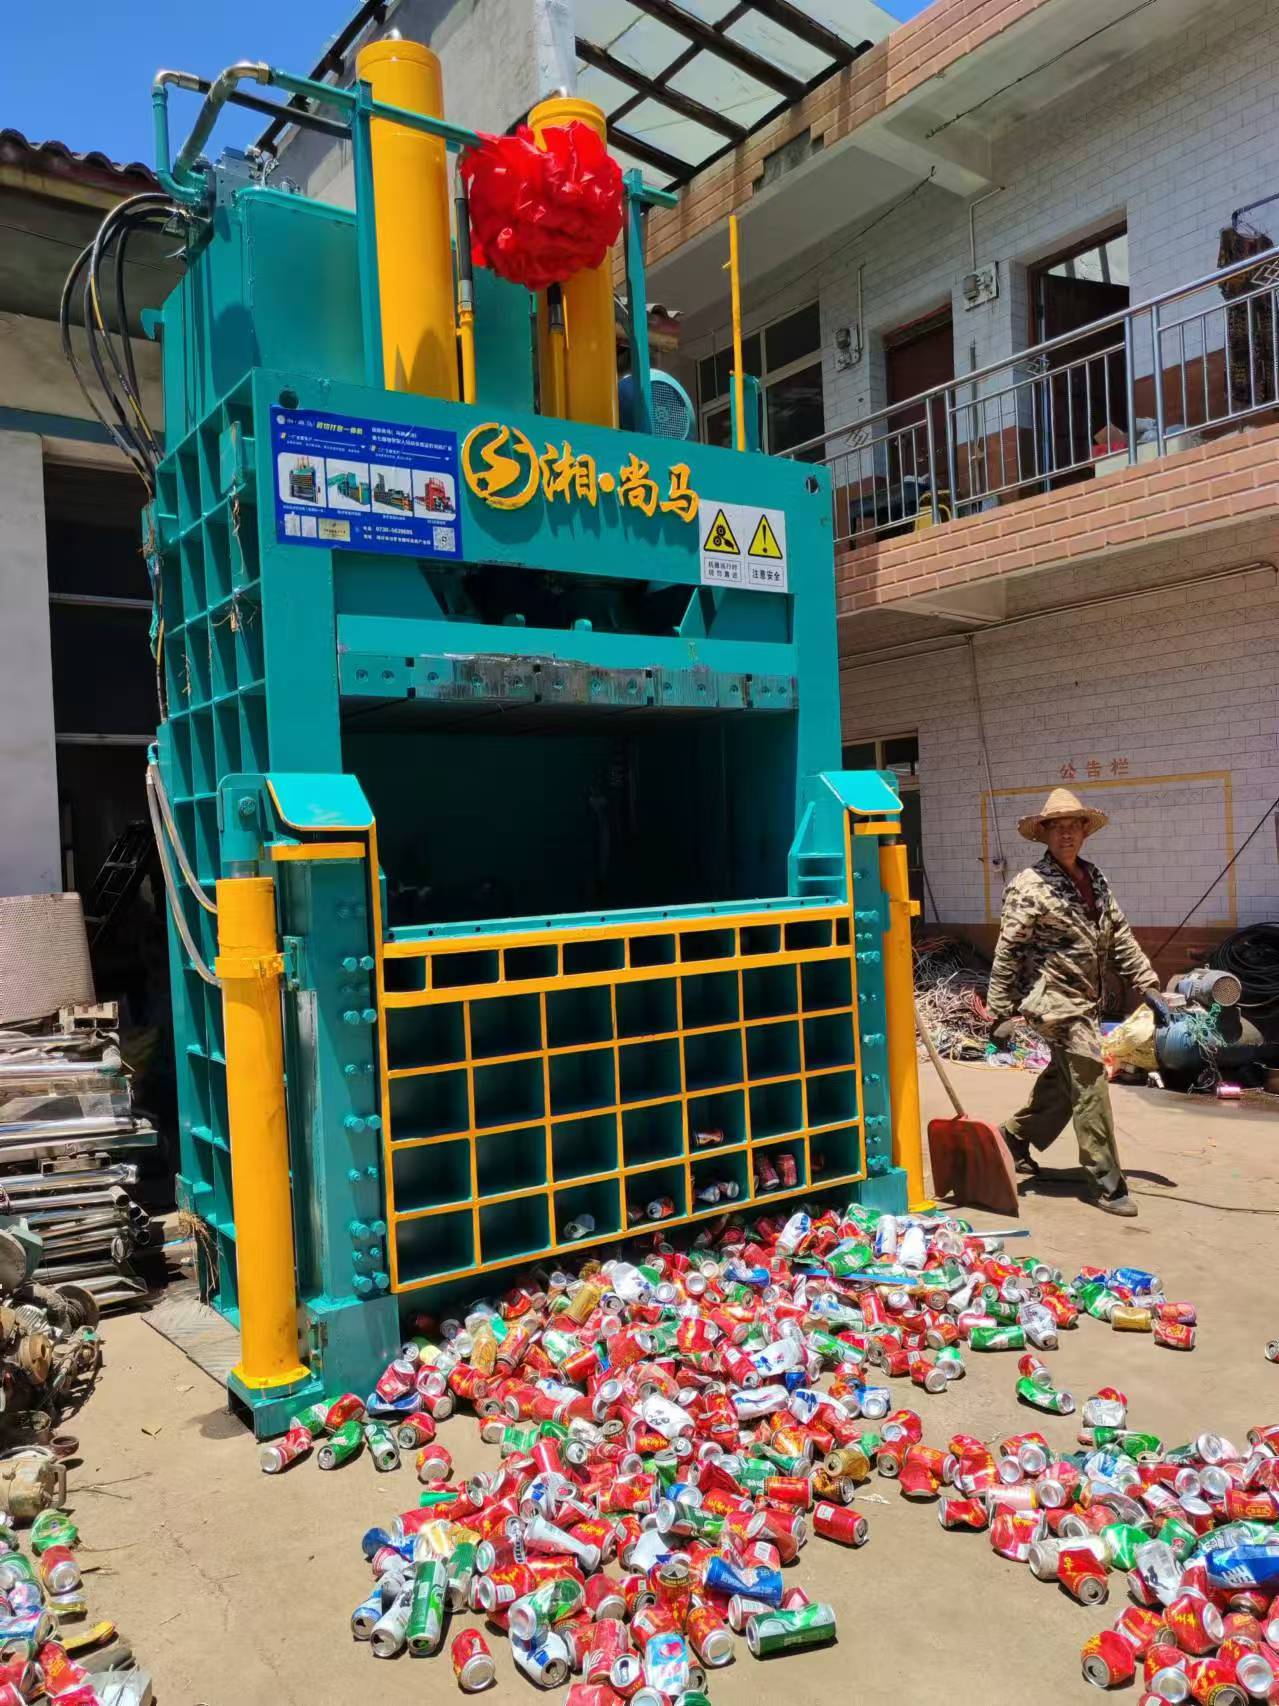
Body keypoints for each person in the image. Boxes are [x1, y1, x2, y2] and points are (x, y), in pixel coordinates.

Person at [985, 788, 1170, 1217]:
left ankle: (1013, 1139)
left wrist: (1147, 984)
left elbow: (1119, 934)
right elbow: (1008, 949)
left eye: (1073, 826)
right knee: (1089, 1078)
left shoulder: (1095, 878)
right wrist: (1001, 1010)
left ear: (1085, 831)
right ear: (1045, 834)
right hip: (1052, 1001)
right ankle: (1106, 1180)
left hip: (1086, 1000)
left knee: (1065, 1080)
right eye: (1057, 827)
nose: (1066, 834)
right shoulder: (1029, 886)